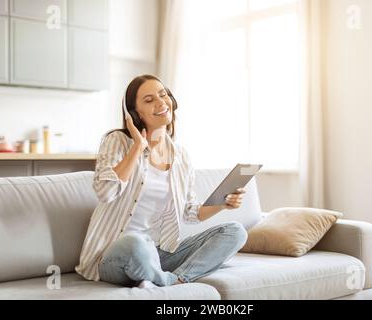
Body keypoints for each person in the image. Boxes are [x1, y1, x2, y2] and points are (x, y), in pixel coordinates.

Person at [75, 74, 248, 288]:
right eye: (149, 100)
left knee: (234, 231)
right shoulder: (117, 141)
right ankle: (163, 279)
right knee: (136, 243)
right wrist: (138, 147)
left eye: (163, 95)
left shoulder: (181, 156)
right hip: (115, 254)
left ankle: (176, 278)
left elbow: (189, 212)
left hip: (159, 254)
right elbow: (105, 192)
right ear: (134, 114)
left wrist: (222, 203)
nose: (160, 102)